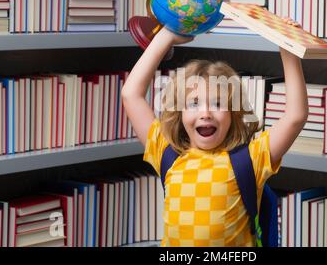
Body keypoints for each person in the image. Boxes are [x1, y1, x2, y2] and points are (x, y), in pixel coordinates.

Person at [121, 21, 308, 247]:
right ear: (179, 114)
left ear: (233, 113)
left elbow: (296, 116)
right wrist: (165, 37)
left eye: (218, 103)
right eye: (194, 104)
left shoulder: (251, 159)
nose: (206, 113)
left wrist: (288, 49)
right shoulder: (167, 154)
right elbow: (131, 94)